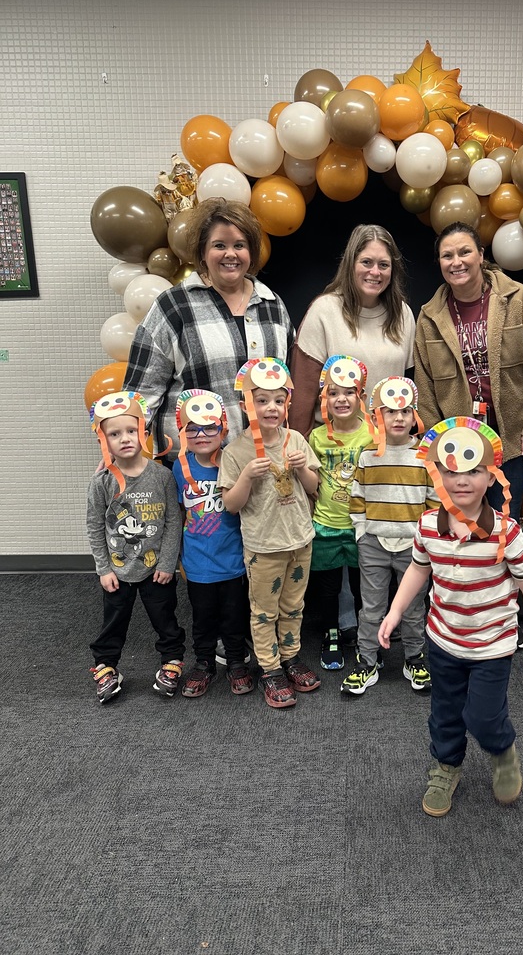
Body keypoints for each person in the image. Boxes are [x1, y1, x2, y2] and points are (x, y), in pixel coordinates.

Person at [378, 418, 523, 818]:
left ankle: (502, 750)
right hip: (443, 639)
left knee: (483, 715)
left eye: (473, 470)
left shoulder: (507, 533)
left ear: (491, 476)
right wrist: (396, 610)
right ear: (438, 476)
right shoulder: (426, 526)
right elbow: (419, 570)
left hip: (493, 644)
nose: (462, 480)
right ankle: (446, 766)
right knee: (445, 711)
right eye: (451, 471)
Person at [124, 197, 294, 459]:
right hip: (196, 471)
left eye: (240, 245)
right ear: (203, 252)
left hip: (263, 464)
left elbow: (288, 383)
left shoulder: (272, 305)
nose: (231, 254)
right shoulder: (174, 306)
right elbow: (142, 393)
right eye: (219, 245)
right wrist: (122, 447)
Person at [413, 221, 523, 525]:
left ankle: (502, 573)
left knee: (504, 523)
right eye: (447, 256)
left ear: (481, 255)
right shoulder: (429, 316)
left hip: (510, 438)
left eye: (464, 252)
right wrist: (436, 443)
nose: (457, 262)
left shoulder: (517, 299)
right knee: (460, 525)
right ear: (439, 263)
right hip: (456, 443)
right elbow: (424, 385)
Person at [219, 359, 321, 709]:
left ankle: (290, 657)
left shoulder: (296, 439)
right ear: (247, 404)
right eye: (262, 400)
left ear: (287, 403)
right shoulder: (235, 452)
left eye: (278, 400)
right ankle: (270, 668)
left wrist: (302, 469)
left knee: (294, 605)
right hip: (264, 547)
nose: (271, 408)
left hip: (299, 540)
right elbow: (231, 505)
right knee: (264, 611)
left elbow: (313, 487)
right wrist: (247, 476)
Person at [86, 391, 184, 703]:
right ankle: (106, 666)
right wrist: (103, 568)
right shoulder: (102, 481)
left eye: (131, 431)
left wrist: (168, 564)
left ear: (143, 432)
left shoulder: (162, 476)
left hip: (157, 571)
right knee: (113, 622)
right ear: (104, 439)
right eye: (114, 434)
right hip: (117, 570)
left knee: (165, 618)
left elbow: (172, 521)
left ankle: (171, 662)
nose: (125, 439)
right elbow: (95, 525)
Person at [343, 376, 437, 697]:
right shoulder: (368, 456)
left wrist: (428, 543)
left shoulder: (424, 456)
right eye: (390, 411)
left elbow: (433, 503)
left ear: (414, 416)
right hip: (373, 544)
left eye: (406, 411)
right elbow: (358, 499)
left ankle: (414, 657)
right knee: (371, 607)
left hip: (414, 549)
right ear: (376, 416)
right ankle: (367, 660)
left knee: (412, 608)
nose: (399, 418)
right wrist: (361, 534)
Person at [289, 224, 416, 438]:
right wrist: (299, 457)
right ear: (351, 264)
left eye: (383, 265)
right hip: (334, 451)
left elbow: (412, 392)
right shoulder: (324, 310)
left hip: (386, 446)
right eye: (366, 262)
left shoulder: (403, 314)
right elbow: (302, 396)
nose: (375, 272)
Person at [172, 389, 252, 698]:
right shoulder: (179, 466)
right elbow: (179, 511)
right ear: (183, 431)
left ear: (224, 427)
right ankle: (204, 662)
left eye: (210, 426)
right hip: (197, 562)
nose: (201, 434)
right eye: (192, 428)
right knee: (202, 618)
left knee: (234, 616)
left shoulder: (233, 460)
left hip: (232, 560)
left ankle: (235, 662)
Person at [308, 355, 374, 672]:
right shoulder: (317, 437)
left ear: (360, 395)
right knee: (329, 589)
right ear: (325, 399)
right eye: (333, 393)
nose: (341, 399)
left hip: (363, 526)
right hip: (327, 524)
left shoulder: (374, 435)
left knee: (366, 588)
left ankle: (366, 637)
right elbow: (310, 483)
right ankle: (331, 634)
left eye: (348, 392)